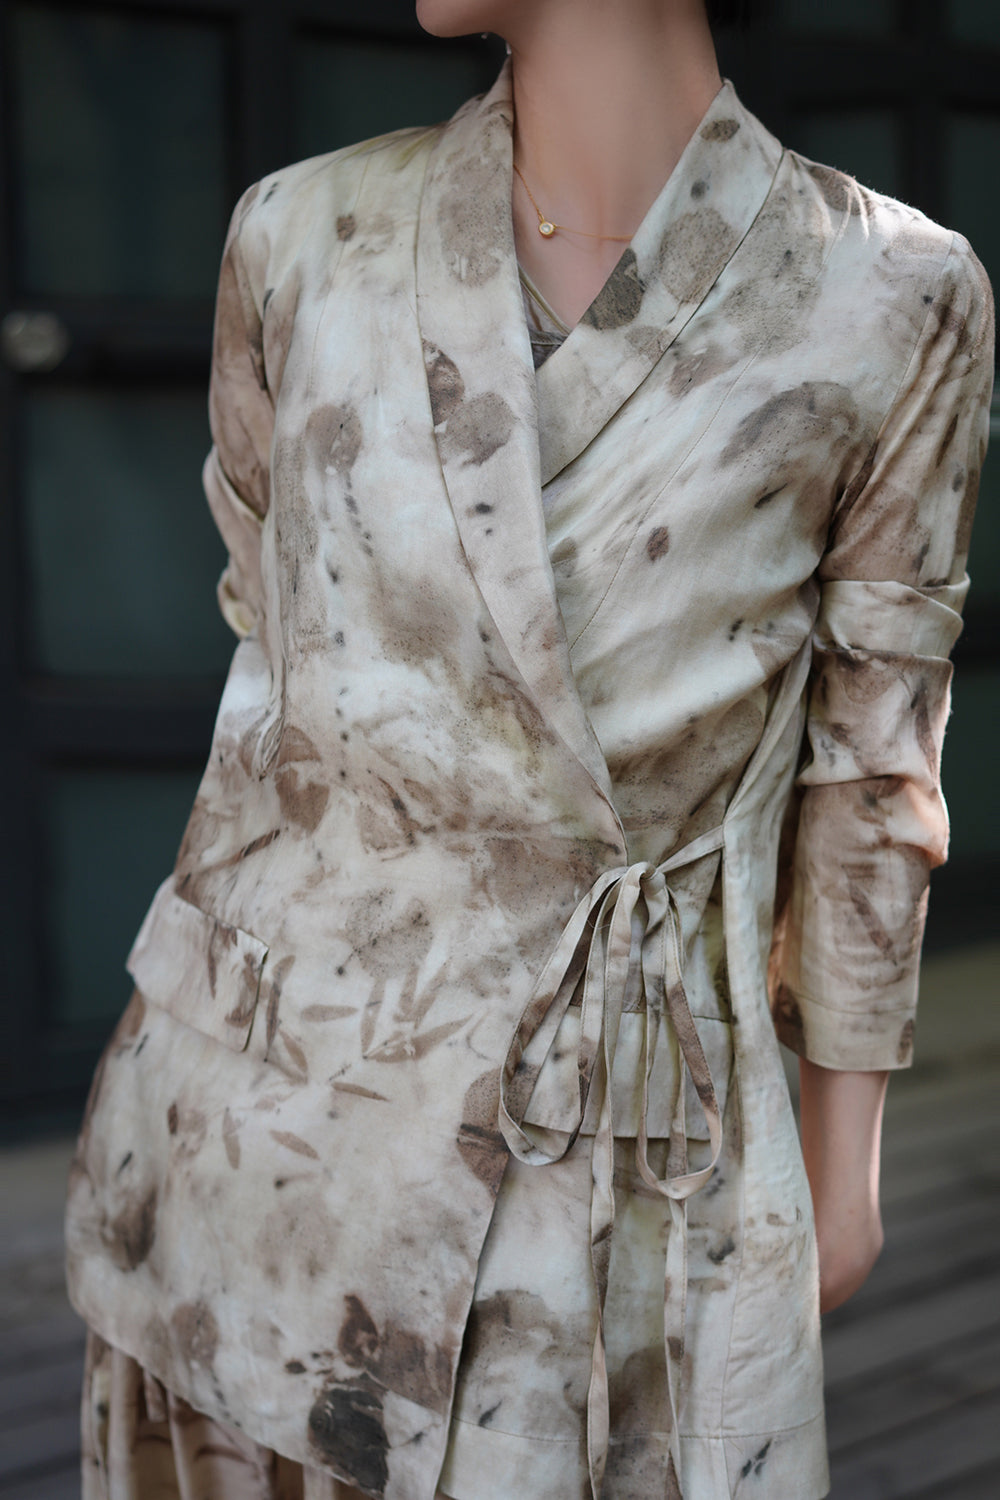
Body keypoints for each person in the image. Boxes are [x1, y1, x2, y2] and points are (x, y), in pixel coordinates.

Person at [65, 2, 994, 1497]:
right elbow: (274, 658)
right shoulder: (299, 234)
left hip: (617, 1139)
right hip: (248, 1118)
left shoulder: (893, 291)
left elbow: (875, 761)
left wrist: (847, 1154)